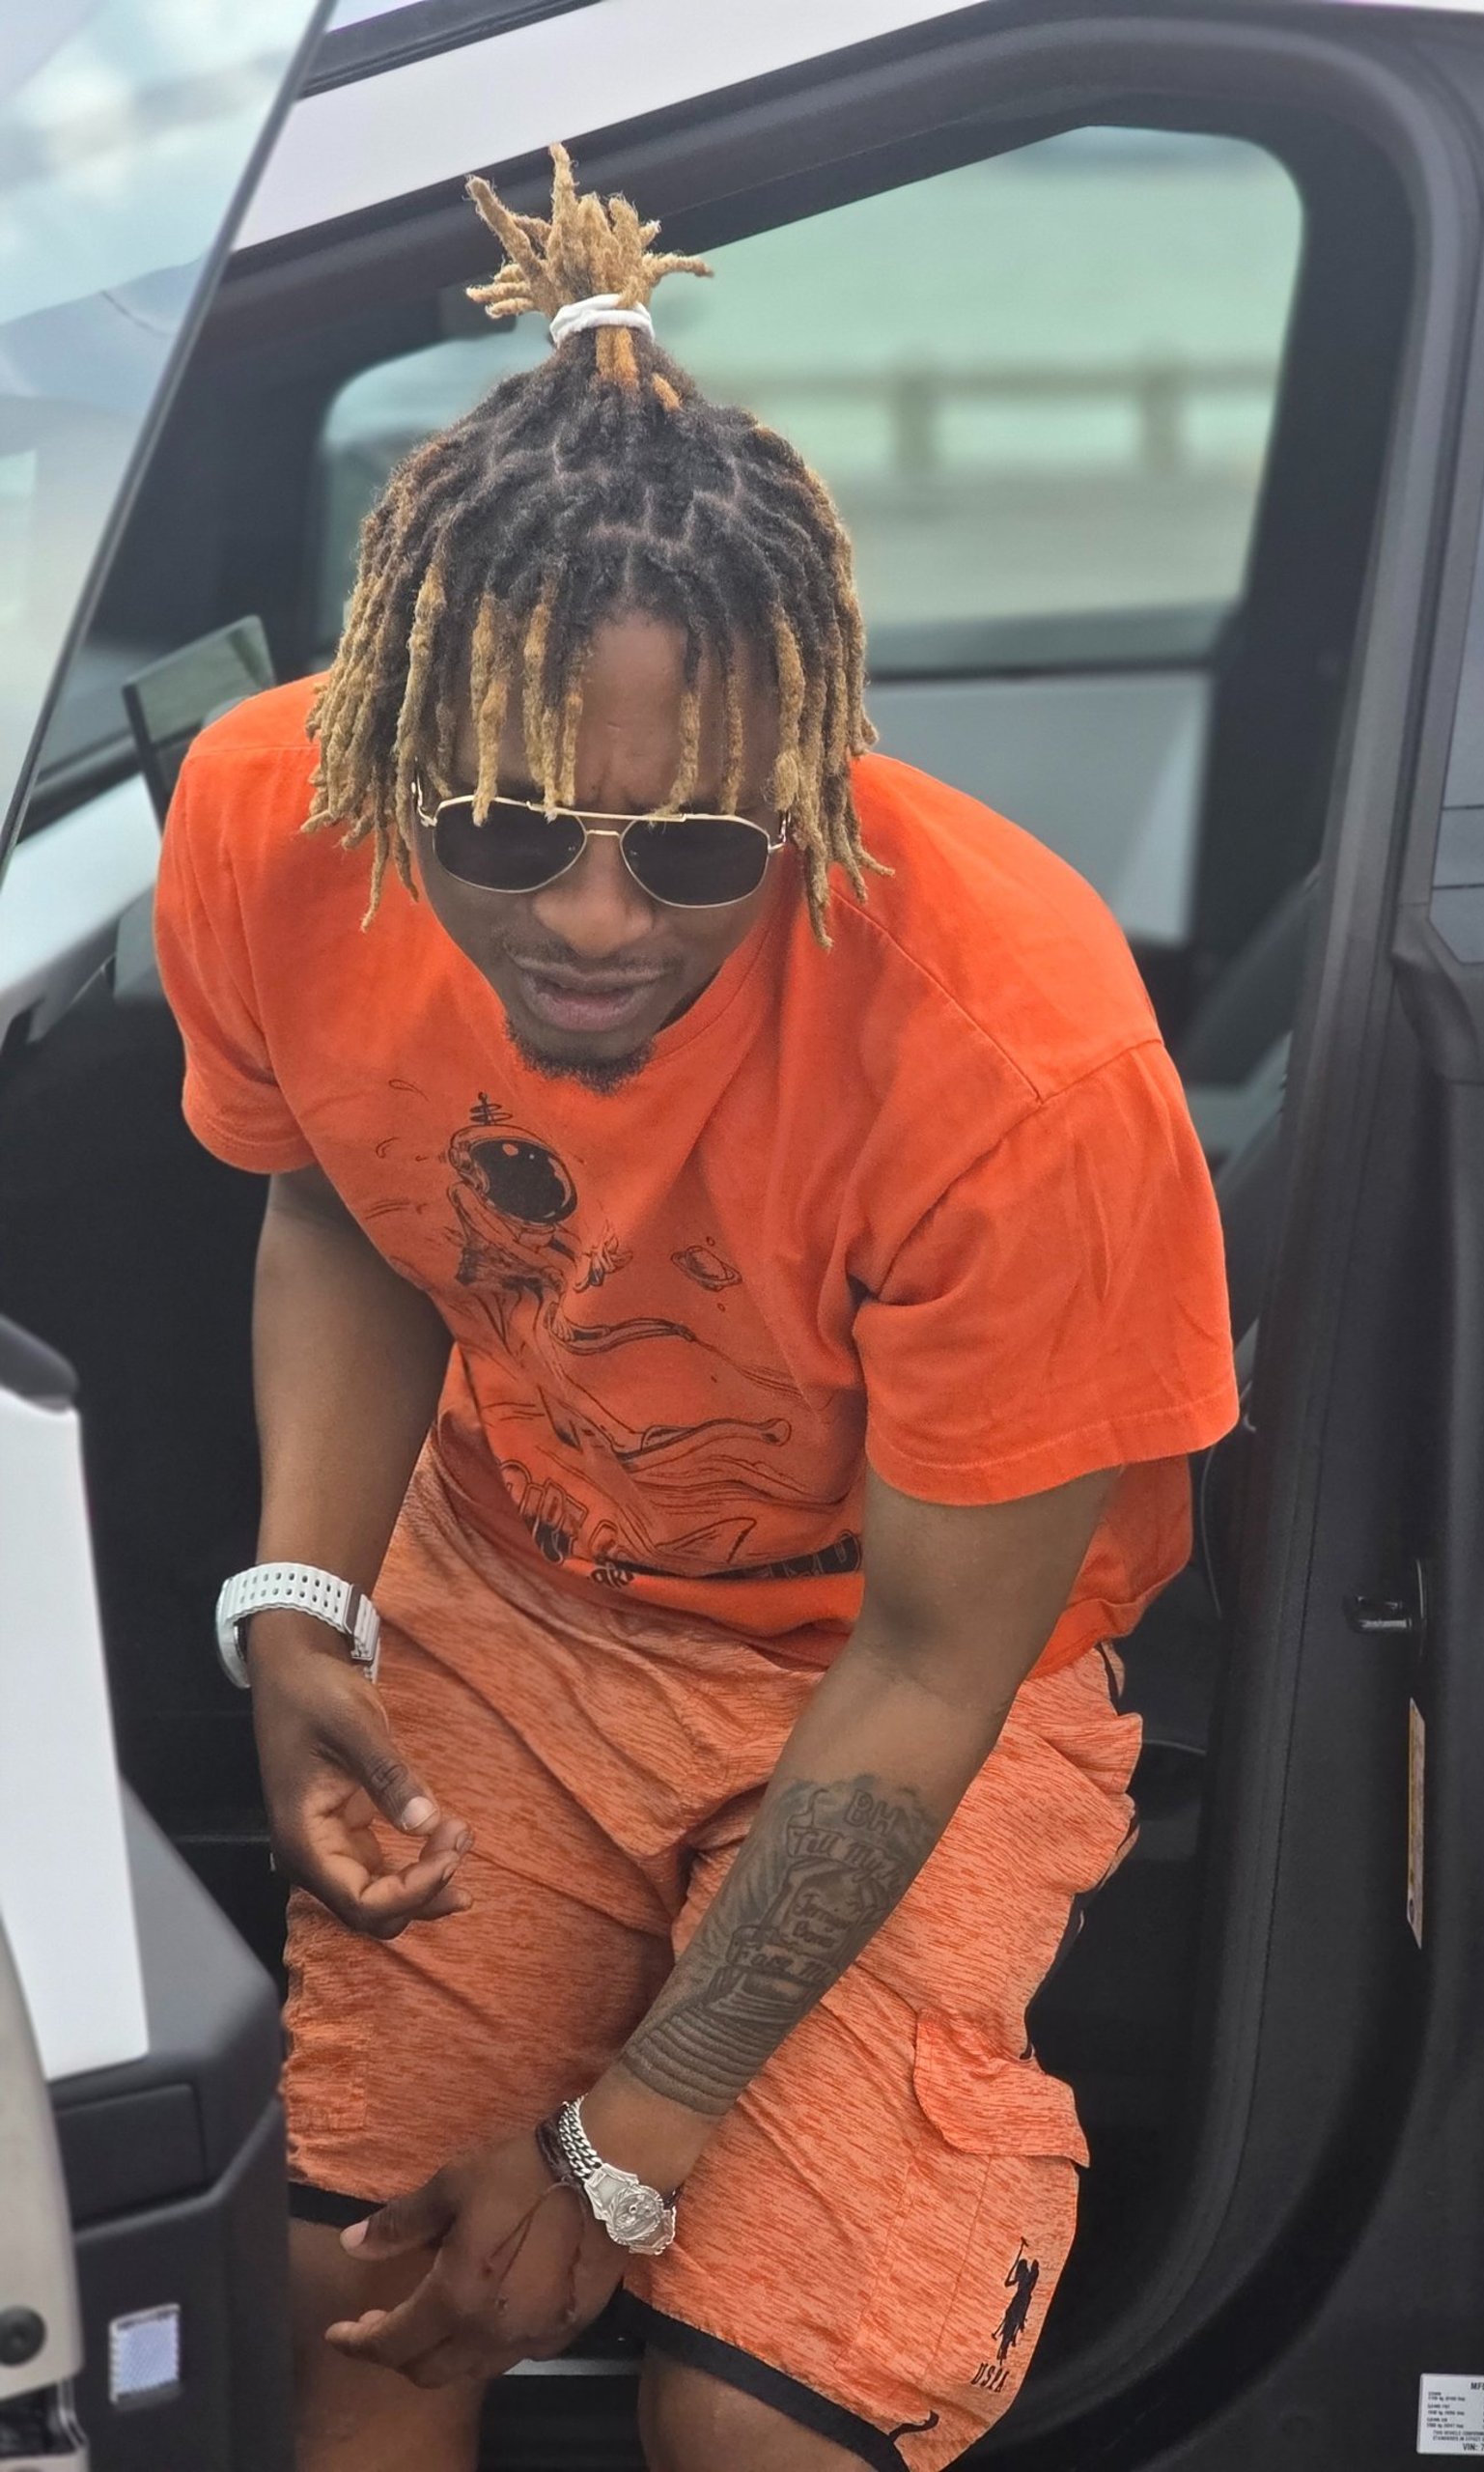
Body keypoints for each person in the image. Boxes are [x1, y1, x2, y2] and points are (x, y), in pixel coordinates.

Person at [154, 145, 1237, 2472]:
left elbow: (934, 1659)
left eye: (700, 846)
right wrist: (303, 1602)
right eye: (503, 829)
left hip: (899, 1664)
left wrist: (624, 2137)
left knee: (750, 2422)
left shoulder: (1016, 1055)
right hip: (514, 1587)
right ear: (383, 762)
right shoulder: (263, 823)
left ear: (810, 782)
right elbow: (342, 1191)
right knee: (359, 2304)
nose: (596, 916)